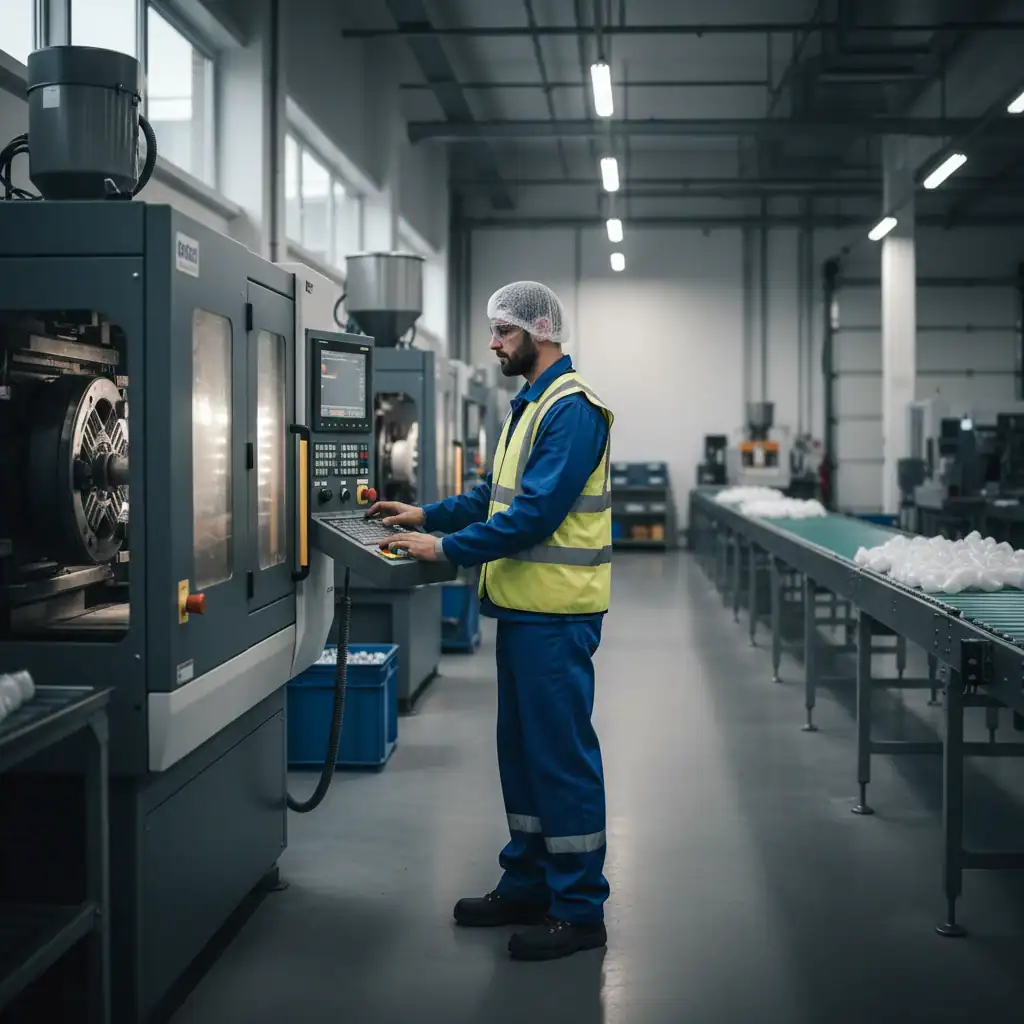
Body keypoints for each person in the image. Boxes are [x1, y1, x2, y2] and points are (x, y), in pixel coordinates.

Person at [365, 280, 614, 962]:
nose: (494, 342)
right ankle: (530, 883)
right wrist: (425, 515)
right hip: (523, 611)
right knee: (524, 758)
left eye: (503, 331)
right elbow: (493, 495)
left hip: (557, 617)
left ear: (541, 331)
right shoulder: (530, 404)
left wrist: (442, 550)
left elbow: (533, 515)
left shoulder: (573, 410)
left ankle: (580, 908)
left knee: (559, 760)